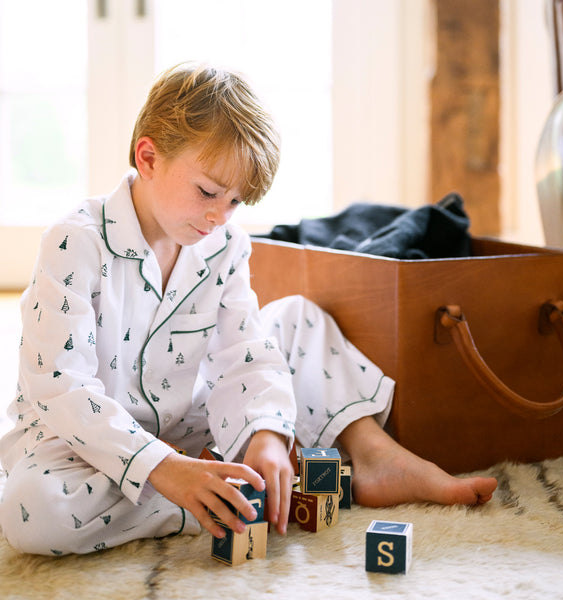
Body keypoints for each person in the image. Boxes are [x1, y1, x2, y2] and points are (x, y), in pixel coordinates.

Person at [0, 63, 497, 556]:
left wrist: (265, 432)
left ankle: (369, 456)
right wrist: (164, 468)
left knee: (298, 319)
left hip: (185, 425)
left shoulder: (225, 245)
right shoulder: (75, 241)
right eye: (208, 192)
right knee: (35, 511)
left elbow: (244, 350)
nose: (220, 215)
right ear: (148, 157)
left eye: (237, 201)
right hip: (76, 440)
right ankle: (221, 497)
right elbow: (60, 386)